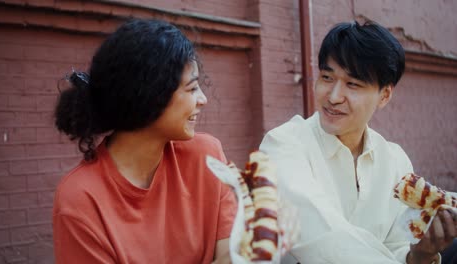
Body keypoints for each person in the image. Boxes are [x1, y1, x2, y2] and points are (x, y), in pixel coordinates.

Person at [260, 20, 456, 264]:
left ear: (384, 95)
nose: (333, 97)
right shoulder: (283, 145)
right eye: (327, 77)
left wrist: (420, 254)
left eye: (352, 84)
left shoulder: (394, 161)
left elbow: (397, 245)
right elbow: (318, 236)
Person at [53, 19, 236, 264]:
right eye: (192, 89)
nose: (203, 99)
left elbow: (233, 255)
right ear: (150, 97)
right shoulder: (81, 199)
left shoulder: (207, 156)